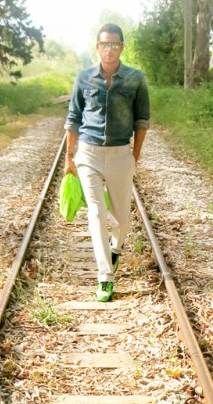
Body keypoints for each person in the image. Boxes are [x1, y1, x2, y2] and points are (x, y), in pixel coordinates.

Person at [64, 24, 150, 302]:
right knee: (97, 214)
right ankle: (105, 276)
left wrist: (133, 157)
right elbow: (73, 119)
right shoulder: (84, 78)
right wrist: (69, 158)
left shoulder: (135, 79)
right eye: (105, 44)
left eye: (114, 44)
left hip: (119, 155)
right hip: (88, 154)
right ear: (97, 47)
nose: (109, 49)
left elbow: (142, 121)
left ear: (122, 47)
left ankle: (115, 249)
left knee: (121, 221)